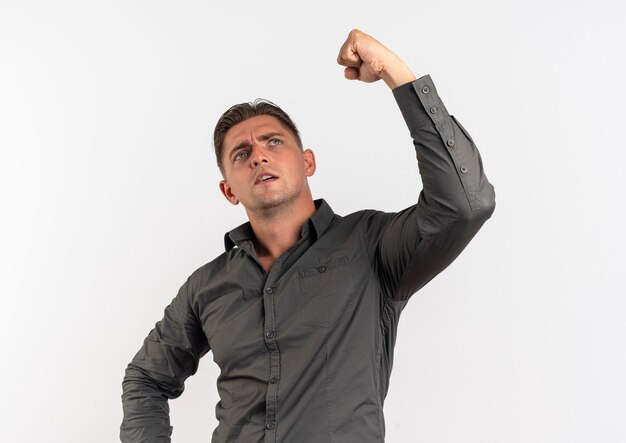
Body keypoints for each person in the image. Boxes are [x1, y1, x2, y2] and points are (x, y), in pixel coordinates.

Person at [120, 29, 495, 443]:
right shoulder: (206, 287)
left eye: (273, 142)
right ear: (229, 190)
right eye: (241, 154)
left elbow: (465, 204)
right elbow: (145, 378)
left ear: (307, 162)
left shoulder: (371, 246)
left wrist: (395, 73)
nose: (259, 155)